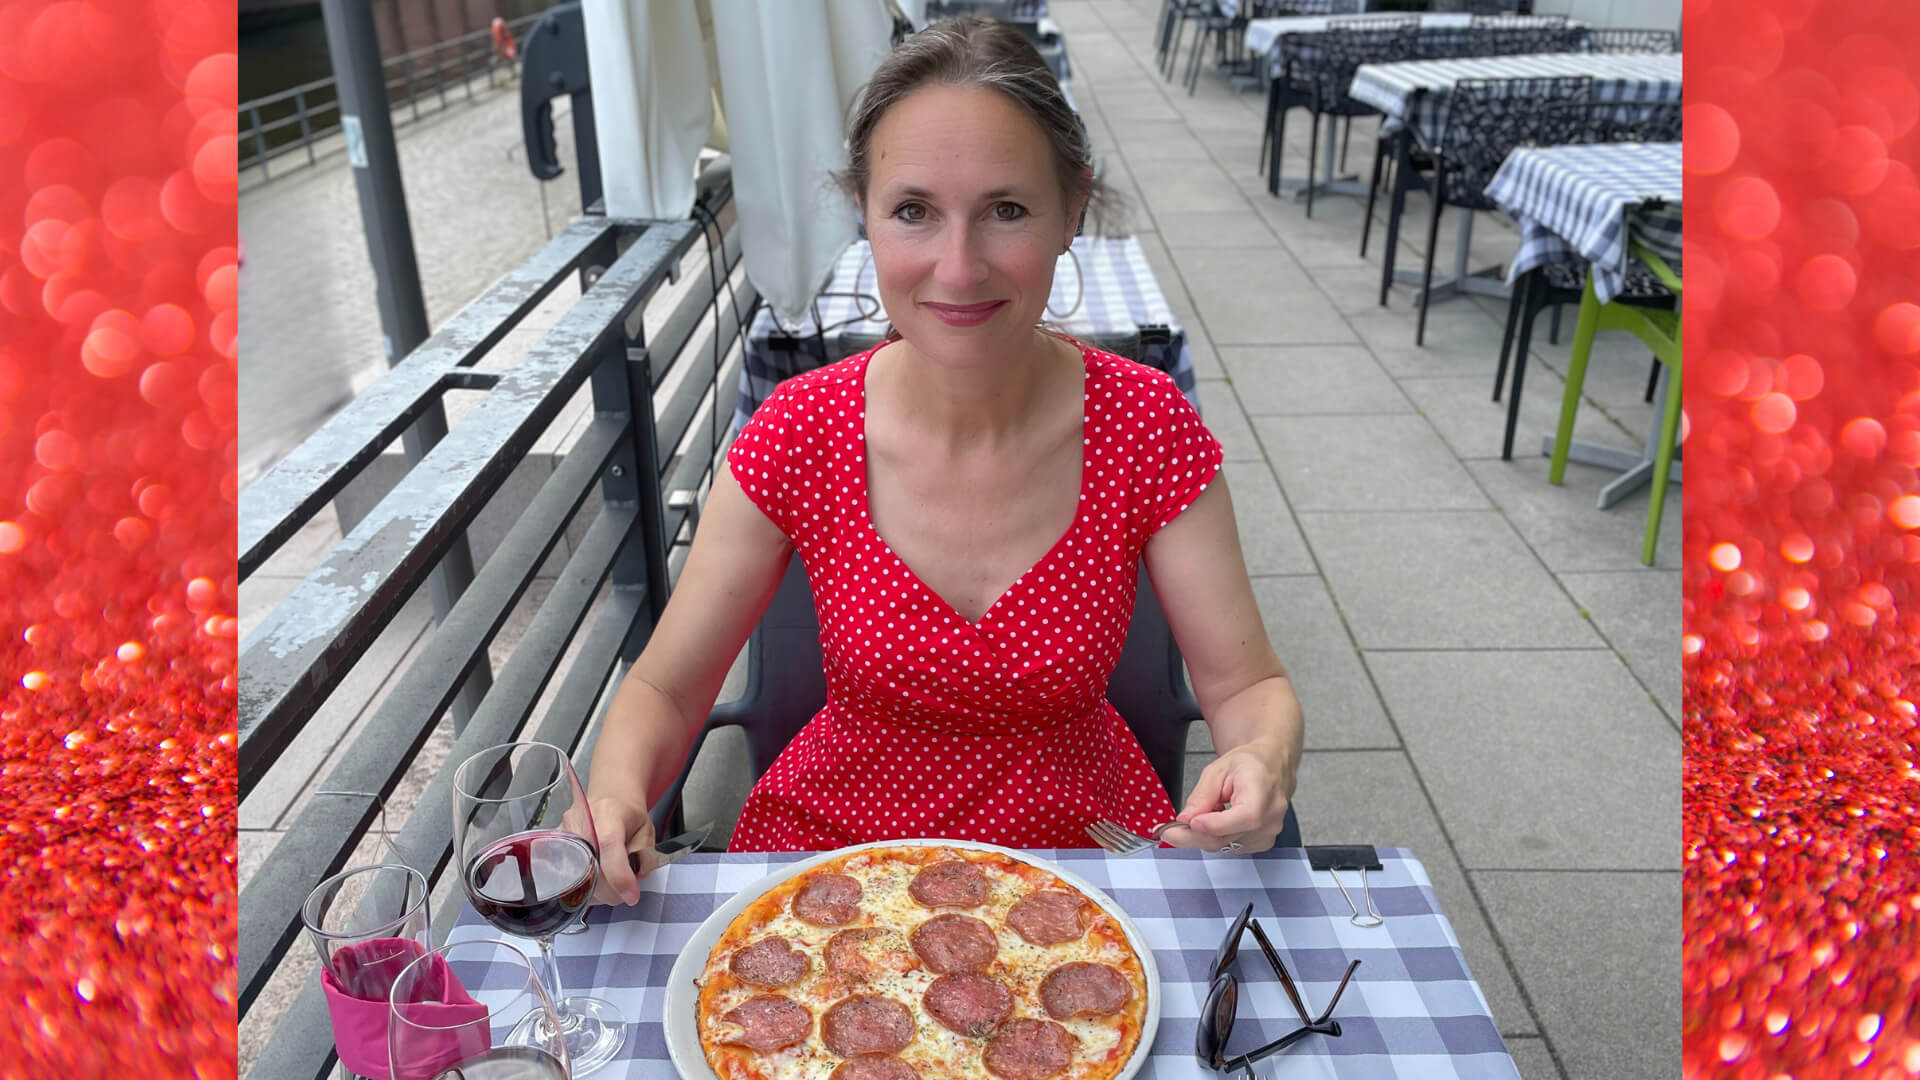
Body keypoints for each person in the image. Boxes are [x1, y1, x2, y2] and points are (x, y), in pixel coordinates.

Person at [583, 16, 1304, 905]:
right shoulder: (799, 428)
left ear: (1073, 209)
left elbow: (1249, 684)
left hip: (1082, 866)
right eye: (914, 211)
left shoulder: (1147, 424)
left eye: (1006, 210)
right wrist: (617, 793)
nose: (958, 269)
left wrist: (1262, 756)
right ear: (865, 213)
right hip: (833, 865)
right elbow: (666, 683)